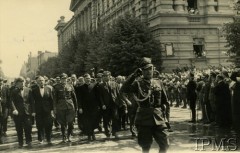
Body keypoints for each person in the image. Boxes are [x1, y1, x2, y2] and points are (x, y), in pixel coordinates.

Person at [121, 57, 169, 153]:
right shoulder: (137, 83)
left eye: (150, 69)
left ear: (153, 69)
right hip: (144, 119)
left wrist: (166, 119)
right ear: (141, 71)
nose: (148, 72)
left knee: (165, 144)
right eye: (145, 70)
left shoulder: (159, 82)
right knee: (145, 146)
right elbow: (123, 89)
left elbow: (165, 102)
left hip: (158, 118)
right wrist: (133, 76)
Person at [53, 73, 78, 142]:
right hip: (60, 107)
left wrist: (76, 106)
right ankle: (64, 136)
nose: (64, 80)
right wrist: (54, 108)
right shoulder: (56, 87)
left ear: (67, 79)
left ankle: (69, 135)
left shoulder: (70, 86)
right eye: (62, 78)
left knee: (70, 122)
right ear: (60, 79)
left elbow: (74, 97)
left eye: (65, 78)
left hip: (70, 106)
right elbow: (55, 99)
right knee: (62, 123)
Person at [10, 77, 34, 148]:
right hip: (18, 113)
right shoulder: (13, 91)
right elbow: (11, 101)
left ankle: (29, 141)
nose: (23, 83)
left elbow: (32, 102)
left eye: (24, 82)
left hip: (27, 112)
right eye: (21, 82)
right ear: (17, 83)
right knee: (19, 128)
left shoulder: (29, 90)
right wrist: (14, 109)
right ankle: (20, 142)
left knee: (28, 127)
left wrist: (33, 111)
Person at [31, 76, 54, 145]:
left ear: (44, 81)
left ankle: (49, 139)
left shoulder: (48, 89)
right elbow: (32, 101)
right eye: (40, 81)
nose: (41, 82)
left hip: (47, 110)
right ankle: (40, 139)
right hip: (38, 110)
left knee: (49, 124)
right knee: (40, 125)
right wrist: (34, 111)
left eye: (42, 80)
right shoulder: (34, 90)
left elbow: (51, 100)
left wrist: (52, 110)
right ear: (37, 82)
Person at [99, 71, 120, 139]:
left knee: (115, 118)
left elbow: (118, 94)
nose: (105, 77)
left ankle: (115, 132)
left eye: (107, 76)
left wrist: (119, 103)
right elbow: (100, 96)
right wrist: (102, 104)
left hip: (114, 104)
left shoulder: (115, 84)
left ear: (110, 76)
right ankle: (107, 133)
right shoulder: (100, 85)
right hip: (106, 105)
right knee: (106, 119)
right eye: (104, 76)